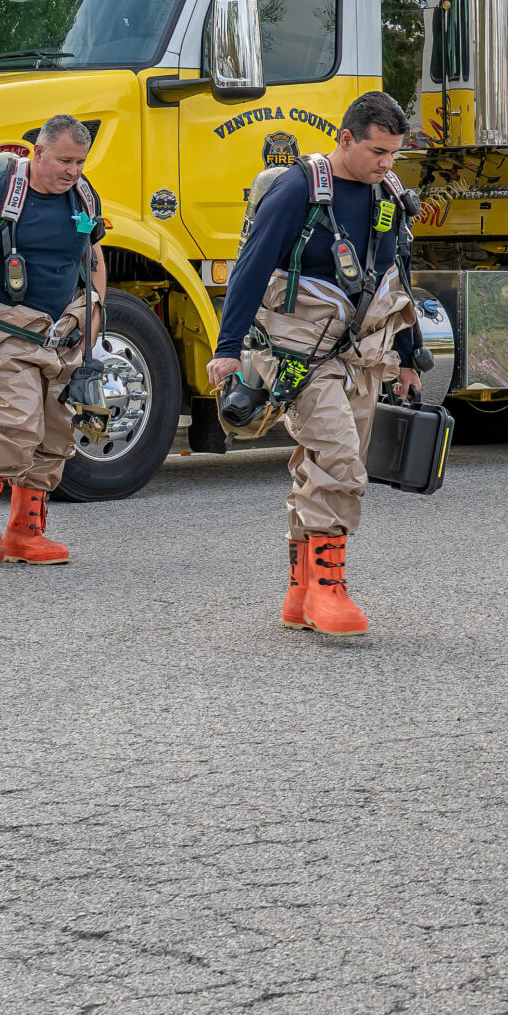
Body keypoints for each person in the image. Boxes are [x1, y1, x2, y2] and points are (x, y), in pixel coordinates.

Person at [205, 91, 425, 637]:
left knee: (320, 464)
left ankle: (300, 591)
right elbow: (250, 268)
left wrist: (407, 357)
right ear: (346, 138)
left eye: (394, 154)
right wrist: (228, 349)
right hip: (298, 355)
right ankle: (329, 590)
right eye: (377, 151)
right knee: (340, 458)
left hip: (362, 355)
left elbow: (394, 282)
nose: (385, 164)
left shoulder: (387, 194)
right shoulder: (296, 190)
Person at [0, 115, 108, 566]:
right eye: (64, 160)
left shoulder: (84, 195)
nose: (73, 170)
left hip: (57, 333)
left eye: (79, 161)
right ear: (37, 153)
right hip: (3, 324)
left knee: (56, 432)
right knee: (19, 423)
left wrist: (92, 315)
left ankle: (25, 530)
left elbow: (94, 260)